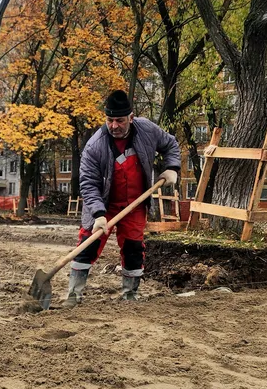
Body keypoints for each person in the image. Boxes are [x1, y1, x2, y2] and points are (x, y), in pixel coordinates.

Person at [64, 89, 181, 307]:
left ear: (131, 117)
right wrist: (98, 214)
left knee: (133, 248)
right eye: (110, 120)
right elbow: (88, 184)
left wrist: (171, 168)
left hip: (135, 204)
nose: (114, 125)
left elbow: (171, 144)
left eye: (120, 120)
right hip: (103, 205)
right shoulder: (94, 146)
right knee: (87, 246)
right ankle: (74, 295)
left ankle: (130, 295)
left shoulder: (147, 130)